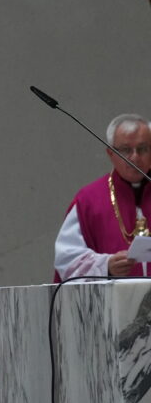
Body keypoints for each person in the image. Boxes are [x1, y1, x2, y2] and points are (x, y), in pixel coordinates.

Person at [54, 113, 151, 280]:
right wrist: (106, 266)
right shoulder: (88, 200)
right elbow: (67, 260)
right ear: (110, 153)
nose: (135, 157)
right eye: (126, 150)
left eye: (142, 149)